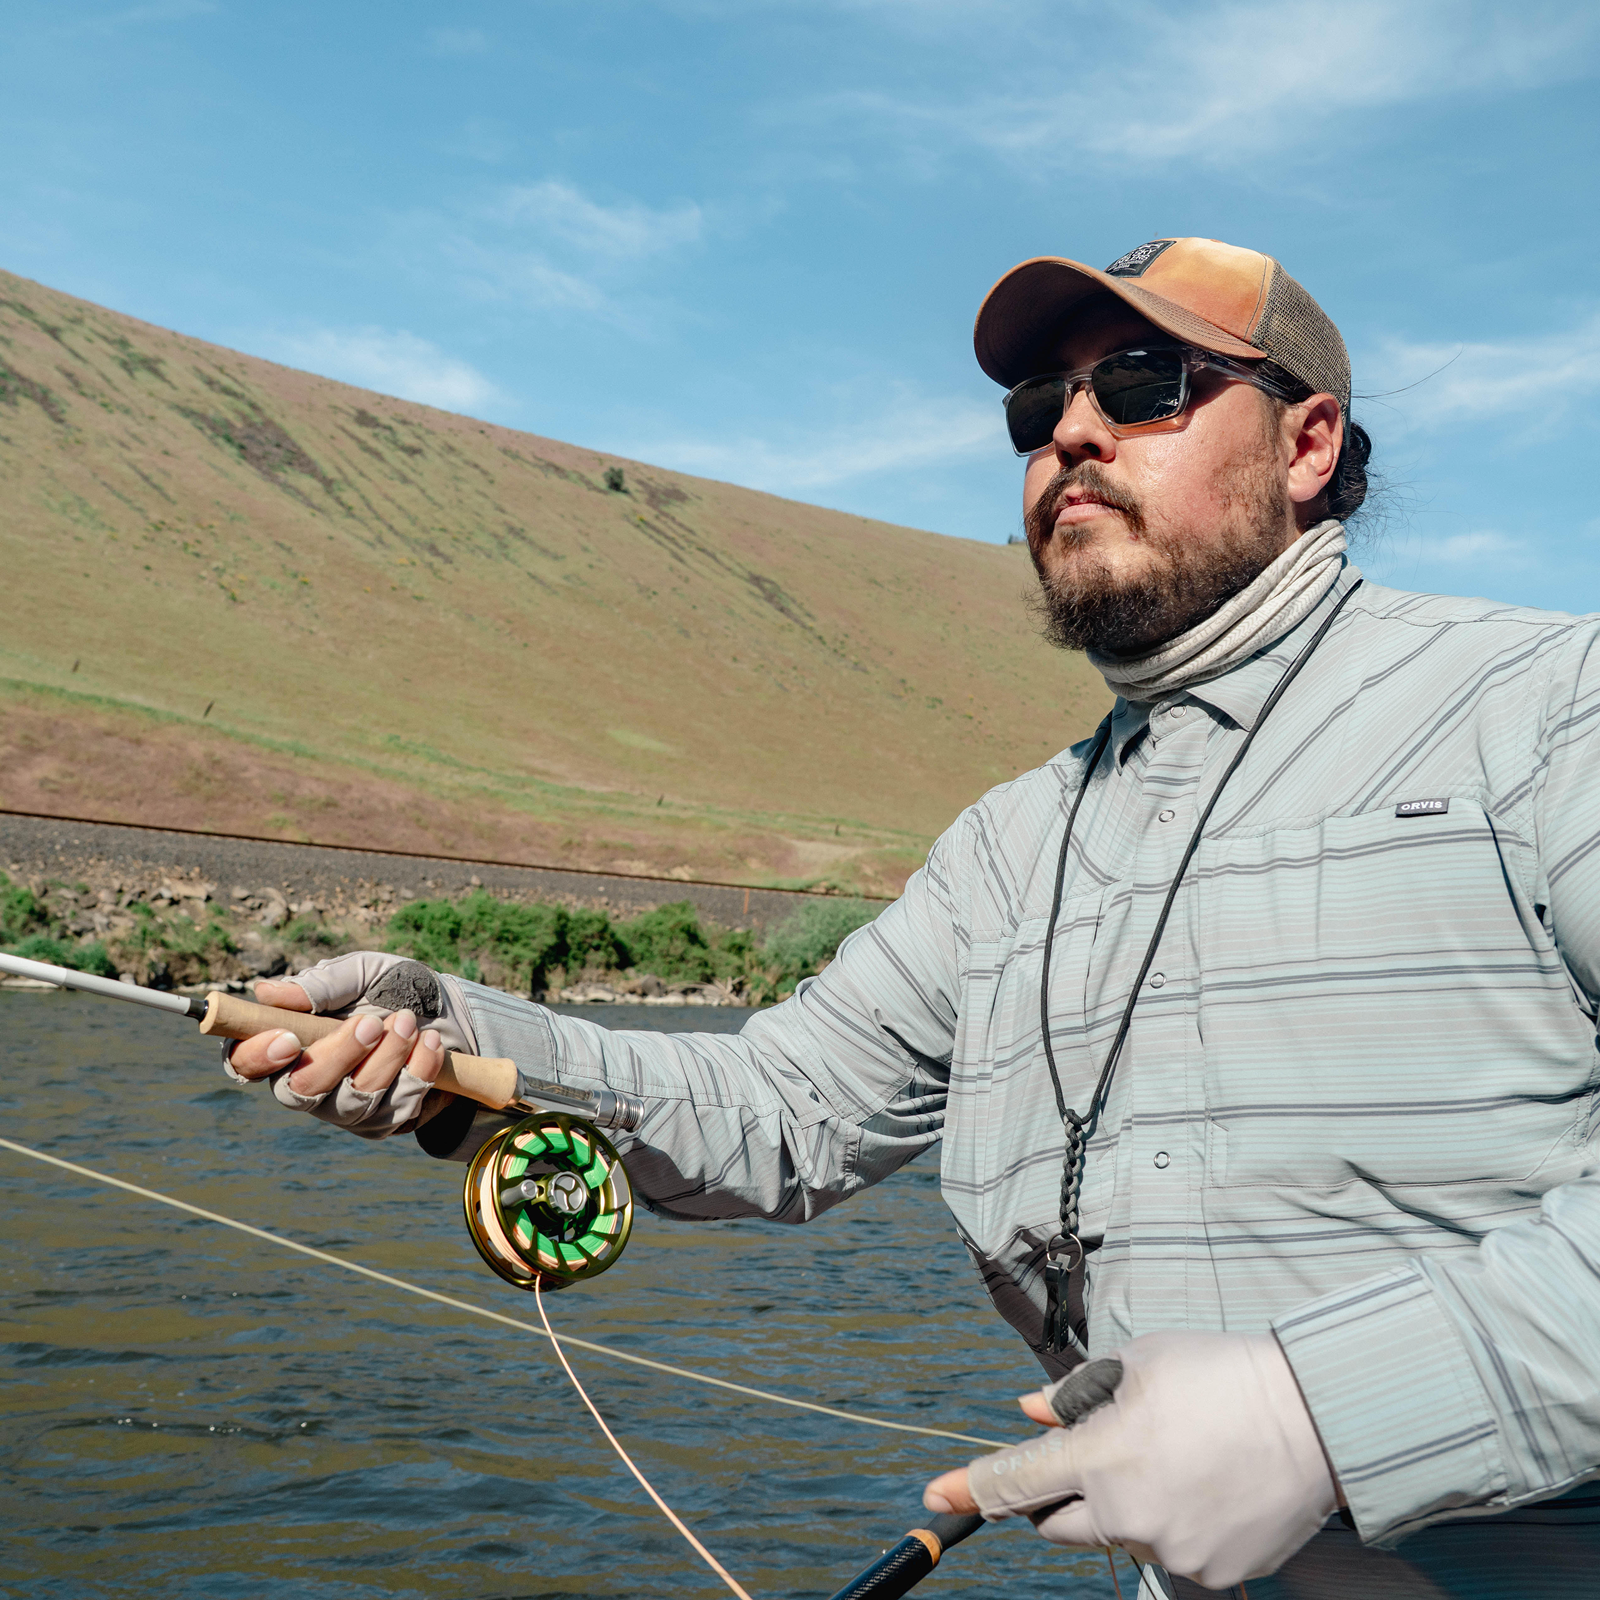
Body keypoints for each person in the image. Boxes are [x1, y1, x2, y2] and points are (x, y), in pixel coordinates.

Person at [226, 237, 1600, 1598]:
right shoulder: (1006, 850)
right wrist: (453, 1037)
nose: (1071, 431)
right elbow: (777, 1108)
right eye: (1036, 408)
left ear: (1306, 446)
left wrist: (1321, 1414)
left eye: (1139, 382)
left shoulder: (1552, 713)